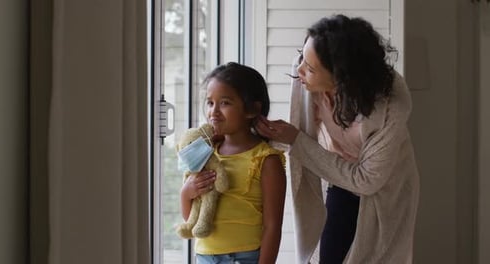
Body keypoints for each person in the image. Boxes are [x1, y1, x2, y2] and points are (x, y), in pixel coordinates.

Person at [255, 14, 420, 264]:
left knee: (377, 255)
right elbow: (300, 134)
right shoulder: (304, 70)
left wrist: (295, 140)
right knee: (329, 254)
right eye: (302, 58)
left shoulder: (390, 104)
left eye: (310, 69)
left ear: (342, 77)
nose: (300, 70)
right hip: (339, 179)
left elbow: (366, 181)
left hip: (384, 188)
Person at [180, 62, 287, 264]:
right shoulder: (204, 154)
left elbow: (273, 227)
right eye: (210, 103)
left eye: (225, 103)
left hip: (243, 258)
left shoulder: (266, 160)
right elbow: (192, 219)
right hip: (204, 257)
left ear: (252, 109)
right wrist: (186, 192)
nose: (214, 112)